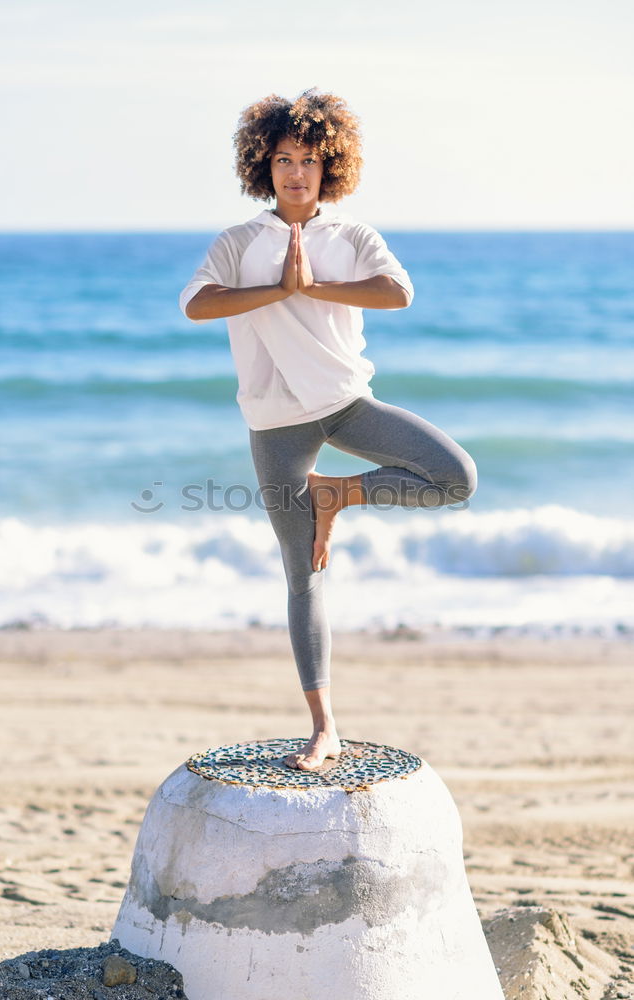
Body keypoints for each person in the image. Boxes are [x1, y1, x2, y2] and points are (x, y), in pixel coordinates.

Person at [179, 89, 477, 771]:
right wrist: (277, 290)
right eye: (282, 158)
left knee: (455, 477)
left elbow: (396, 291)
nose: (295, 172)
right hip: (276, 422)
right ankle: (324, 728)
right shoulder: (238, 243)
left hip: (345, 402)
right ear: (262, 164)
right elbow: (196, 305)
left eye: (309, 160)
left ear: (329, 166)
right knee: (301, 575)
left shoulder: (352, 236)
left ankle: (335, 495)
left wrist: (310, 287)